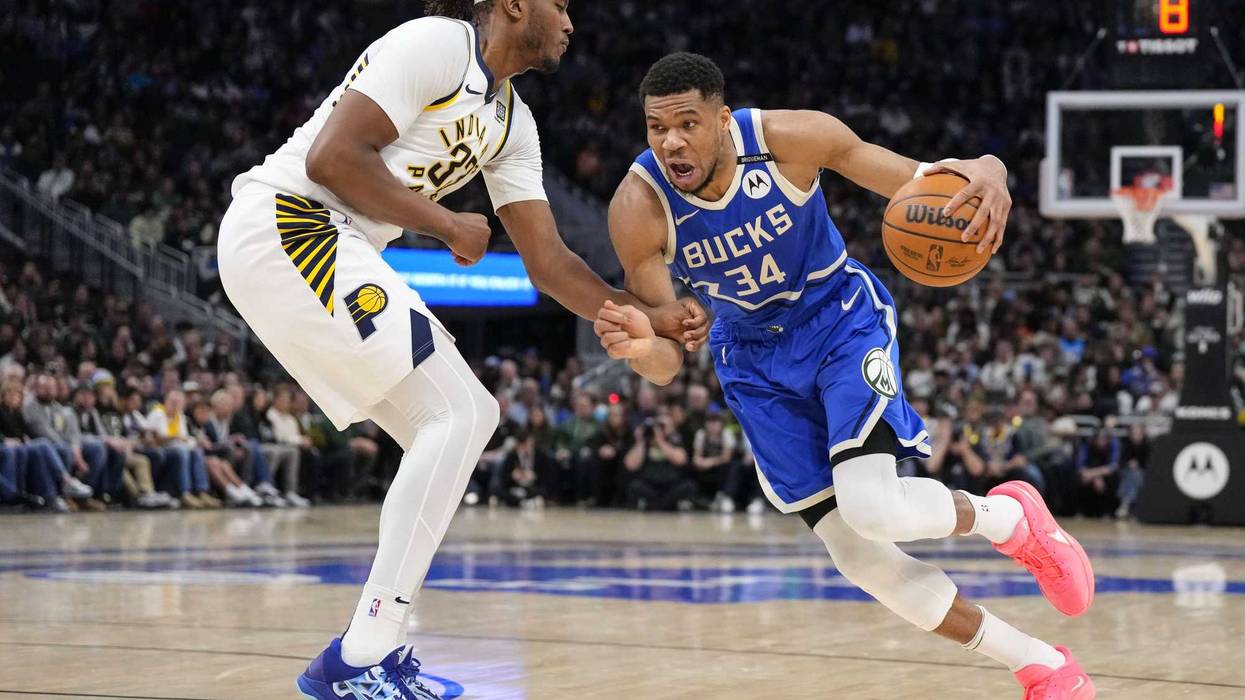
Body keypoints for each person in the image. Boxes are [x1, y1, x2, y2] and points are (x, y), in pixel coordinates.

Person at [216, 4, 713, 691]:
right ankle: (361, 658)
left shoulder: (513, 123)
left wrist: (654, 317)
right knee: (462, 414)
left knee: (452, 420)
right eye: (559, 5)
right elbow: (333, 158)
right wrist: (447, 222)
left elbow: (549, 264)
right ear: (512, 4)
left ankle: (370, 652)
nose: (571, 20)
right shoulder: (436, 44)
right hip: (290, 220)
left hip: (331, 241)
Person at [593, 53, 1095, 699]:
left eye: (686, 123)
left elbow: (930, 184)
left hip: (837, 322)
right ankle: (1039, 665)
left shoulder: (791, 140)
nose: (670, 142)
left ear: (721, 121)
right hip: (748, 358)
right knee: (860, 558)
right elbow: (665, 365)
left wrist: (991, 168)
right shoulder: (638, 207)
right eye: (655, 127)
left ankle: (1009, 520)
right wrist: (640, 348)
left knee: (873, 507)